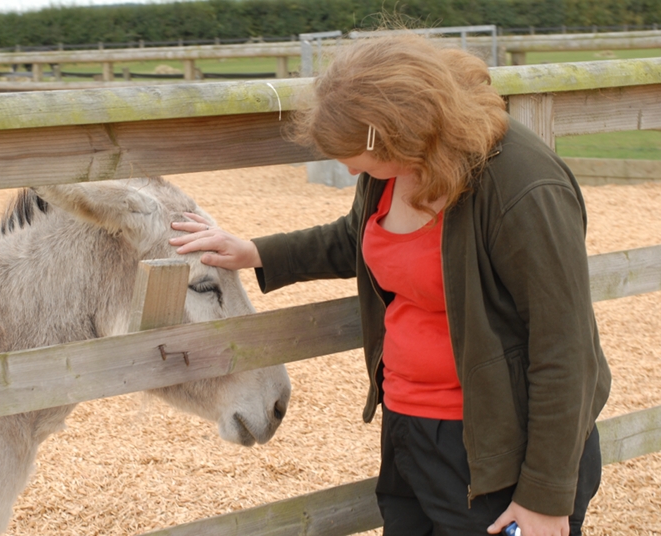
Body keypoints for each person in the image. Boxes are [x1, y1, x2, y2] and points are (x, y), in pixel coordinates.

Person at [170, 31, 610, 536]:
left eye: (353, 153)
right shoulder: (393, 168)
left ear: (393, 131)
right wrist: (255, 252)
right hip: (409, 429)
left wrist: (545, 496)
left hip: (494, 449)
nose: (345, 166)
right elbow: (356, 237)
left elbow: (566, 348)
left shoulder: (523, 186)